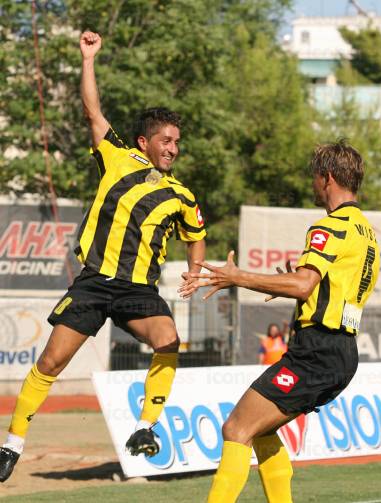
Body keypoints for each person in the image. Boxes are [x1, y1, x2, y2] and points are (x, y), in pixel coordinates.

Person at [0, 31, 206, 483]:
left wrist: (193, 272)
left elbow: (197, 236)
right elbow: (92, 110)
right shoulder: (117, 157)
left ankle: (145, 429)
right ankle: (12, 442)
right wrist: (88, 58)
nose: (173, 147)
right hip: (94, 282)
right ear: (144, 141)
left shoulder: (181, 195)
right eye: (167, 140)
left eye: (177, 142)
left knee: (168, 340)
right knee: (51, 363)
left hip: (137, 290)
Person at [181, 140, 380, 503]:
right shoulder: (366, 233)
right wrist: (290, 284)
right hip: (340, 352)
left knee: (236, 427)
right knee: (262, 432)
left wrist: (239, 277)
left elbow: (304, 285)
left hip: (317, 351)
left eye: (315, 177)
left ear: (328, 178)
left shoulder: (330, 227)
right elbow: (326, 288)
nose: (313, 184)